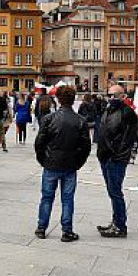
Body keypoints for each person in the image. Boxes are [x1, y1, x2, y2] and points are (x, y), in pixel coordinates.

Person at [34, 85, 91, 241]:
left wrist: (43, 159)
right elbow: (85, 146)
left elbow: (39, 143)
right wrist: (78, 162)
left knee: (47, 197)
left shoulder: (49, 119)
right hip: (70, 164)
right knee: (67, 198)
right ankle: (67, 230)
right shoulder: (80, 120)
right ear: (73, 100)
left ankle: (41, 227)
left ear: (58, 100)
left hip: (51, 163)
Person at [95, 85, 138, 238]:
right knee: (112, 191)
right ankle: (116, 221)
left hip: (116, 159)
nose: (111, 98)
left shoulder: (127, 113)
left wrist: (117, 155)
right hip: (105, 156)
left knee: (115, 192)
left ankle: (120, 226)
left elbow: (128, 139)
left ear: (122, 96)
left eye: (114, 95)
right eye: (110, 95)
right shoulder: (108, 110)